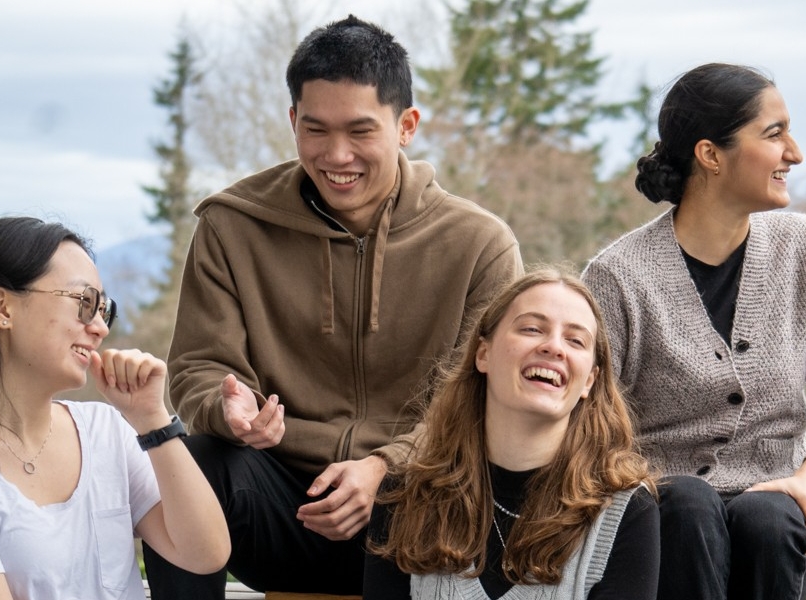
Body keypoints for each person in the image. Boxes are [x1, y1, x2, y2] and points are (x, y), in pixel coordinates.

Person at [144, 15, 524, 598]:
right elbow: (198, 366)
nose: (336, 155)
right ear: (293, 120)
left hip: (419, 511)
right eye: (315, 129)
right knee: (189, 465)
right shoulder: (230, 225)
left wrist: (383, 467)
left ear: (407, 126)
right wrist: (232, 413)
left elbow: (490, 402)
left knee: (421, 496)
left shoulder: (479, 244)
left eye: (360, 131)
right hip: (284, 502)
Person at [582, 62, 806, 600]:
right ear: (710, 154)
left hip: (777, 521)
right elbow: (589, 419)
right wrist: (640, 485)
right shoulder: (617, 276)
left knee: (769, 517)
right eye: (774, 133)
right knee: (688, 504)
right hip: (663, 520)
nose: (795, 152)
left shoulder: (803, 248)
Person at [0, 216, 229, 599]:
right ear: (2, 308)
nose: (100, 328)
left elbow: (205, 554)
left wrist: (152, 420)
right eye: (84, 302)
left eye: (104, 309)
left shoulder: (107, 430)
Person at [363, 268, 660, 599]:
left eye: (575, 340)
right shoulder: (403, 496)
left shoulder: (625, 512)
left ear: (589, 381)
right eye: (532, 329)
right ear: (483, 354)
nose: (554, 347)